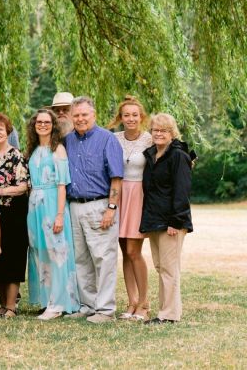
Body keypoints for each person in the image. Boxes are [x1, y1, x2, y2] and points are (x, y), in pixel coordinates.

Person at [64, 96, 124, 323]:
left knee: (103, 258)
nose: (80, 119)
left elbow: (116, 178)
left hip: (100, 205)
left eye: (84, 115)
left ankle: (106, 310)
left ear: (94, 115)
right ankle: (87, 305)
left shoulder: (107, 139)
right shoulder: (68, 141)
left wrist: (111, 208)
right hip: (75, 207)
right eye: (76, 115)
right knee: (81, 259)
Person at [25, 109, 80, 320]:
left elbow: (61, 186)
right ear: (34, 125)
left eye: (47, 122)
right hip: (34, 206)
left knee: (56, 252)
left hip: (52, 203)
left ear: (53, 125)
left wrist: (59, 215)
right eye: (39, 122)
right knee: (40, 251)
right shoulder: (34, 148)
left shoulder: (58, 150)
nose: (43, 125)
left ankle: (59, 303)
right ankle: (47, 300)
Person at [140, 113, 193, 324]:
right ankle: (166, 311)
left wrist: (176, 221)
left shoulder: (178, 156)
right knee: (161, 267)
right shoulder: (152, 154)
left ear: (172, 133)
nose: (159, 134)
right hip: (155, 219)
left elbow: (182, 191)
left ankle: (169, 315)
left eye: (164, 130)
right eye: (155, 130)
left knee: (169, 269)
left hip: (172, 221)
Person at [0, 113, 29, 318]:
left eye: (1, 128)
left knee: (13, 258)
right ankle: (2, 302)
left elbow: (24, 185)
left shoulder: (16, 155)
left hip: (13, 212)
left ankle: (11, 306)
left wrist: (2, 190)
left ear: (8, 131)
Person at [109, 96, 153, 321]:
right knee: (124, 252)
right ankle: (132, 301)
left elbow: (169, 152)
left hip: (138, 196)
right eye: (126, 115)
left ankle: (144, 303)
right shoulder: (114, 138)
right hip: (118, 195)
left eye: (135, 115)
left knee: (135, 251)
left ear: (141, 117)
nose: (131, 118)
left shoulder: (149, 140)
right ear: (121, 118)